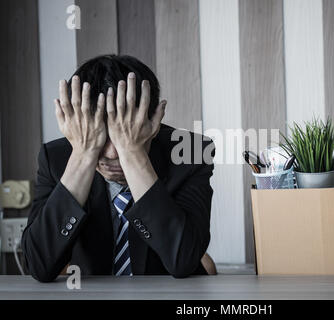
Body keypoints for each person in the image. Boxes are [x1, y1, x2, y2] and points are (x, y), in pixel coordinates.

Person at [21, 55, 215, 282]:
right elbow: (38, 265)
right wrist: (83, 156)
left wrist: (133, 155)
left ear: (154, 121)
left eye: (123, 132)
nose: (113, 153)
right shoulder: (56, 158)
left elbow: (183, 261)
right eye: (100, 135)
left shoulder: (190, 153)